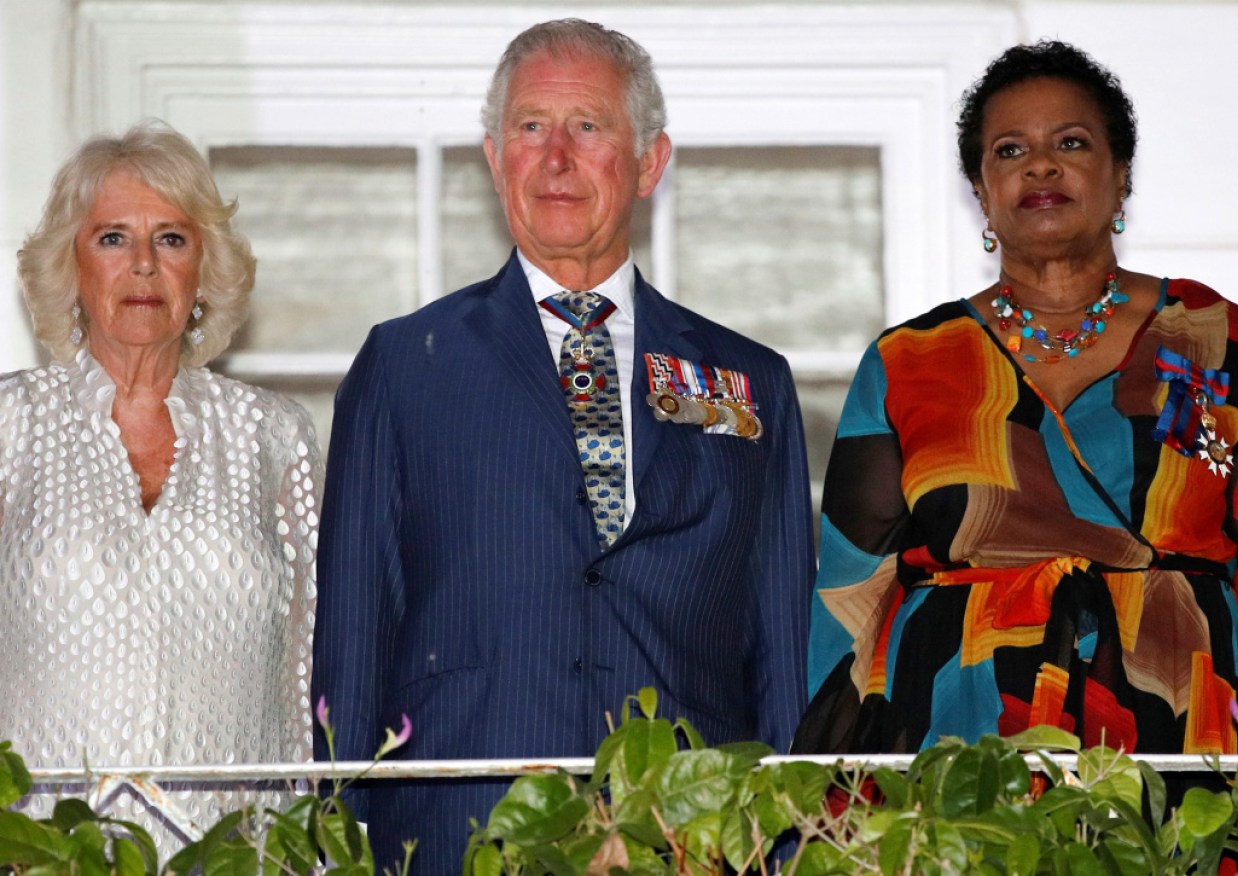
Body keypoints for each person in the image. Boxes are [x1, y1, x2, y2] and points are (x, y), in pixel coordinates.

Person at [312, 18, 814, 873]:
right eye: (529, 128)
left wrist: (788, 835)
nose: (555, 157)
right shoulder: (405, 364)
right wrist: (335, 833)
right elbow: (353, 631)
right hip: (460, 819)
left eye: (587, 127)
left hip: (687, 827)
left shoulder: (748, 380)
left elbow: (780, 640)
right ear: (492, 156)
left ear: (649, 163)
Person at [794, 41, 1238, 756]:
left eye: (1069, 142)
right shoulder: (908, 359)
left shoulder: (1214, 336)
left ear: (1119, 175)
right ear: (981, 191)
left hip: (1185, 721)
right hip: (960, 735)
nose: (1040, 165)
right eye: (1009, 151)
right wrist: (825, 780)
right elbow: (851, 593)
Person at [1, 121, 321, 845]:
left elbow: (305, 676)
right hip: (44, 854)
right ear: (71, 267)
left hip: (237, 853)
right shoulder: (10, 424)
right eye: (113, 238)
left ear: (203, 272)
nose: (142, 264)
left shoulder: (274, 435)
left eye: (170, 239)